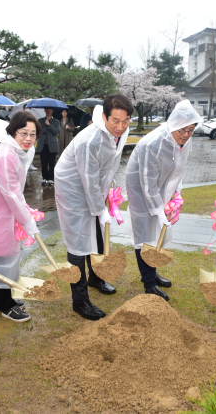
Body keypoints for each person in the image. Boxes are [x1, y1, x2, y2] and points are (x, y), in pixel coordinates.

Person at [54, 93, 133, 320]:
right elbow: (87, 179)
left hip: (93, 185)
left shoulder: (120, 132)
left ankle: (96, 277)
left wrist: (108, 188)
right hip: (73, 188)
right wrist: (100, 210)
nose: (120, 126)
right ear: (104, 117)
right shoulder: (91, 140)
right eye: (115, 121)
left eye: (125, 120)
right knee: (78, 243)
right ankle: (80, 300)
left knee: (97, 233)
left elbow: (106, 166)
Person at [126, 100, 202, 302]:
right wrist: (158, 211)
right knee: (144, 235)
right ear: (173, 124)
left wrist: (176, 190)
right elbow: (147, 183)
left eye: (191, 130)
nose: (186, 135)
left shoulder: (183, 140)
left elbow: (179, 167)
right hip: (140, 190)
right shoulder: (152, 144)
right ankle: (148, 283)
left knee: (157, 233)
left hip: (161, 185)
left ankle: (153, 272)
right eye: (182, 130)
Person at [0, 112, 41, 323]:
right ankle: (5, 305)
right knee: (0, 259)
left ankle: (1, 298)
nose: (28, 138)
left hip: (5, 211)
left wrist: (23, 214)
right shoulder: (5, 156)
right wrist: (28, 222)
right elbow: (12, 194)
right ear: (12, 132)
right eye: (24, 133)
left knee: (4, 257)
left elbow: (15, 193)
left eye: (33, 134)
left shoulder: (18, 151)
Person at [36, 107, 60, 186]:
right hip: (42, 144)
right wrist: (46, 128)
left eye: (50, 109)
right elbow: (39, 131)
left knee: (52, 163)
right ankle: (44, 178)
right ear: (44, 110)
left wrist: (49, 125)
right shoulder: (40, 120)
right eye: (47, 109)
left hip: (52, 145)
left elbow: (56, 132)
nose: (48, 111)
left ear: (52, 110)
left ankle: (51, 178)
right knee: (43, 162)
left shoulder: (56, 121)